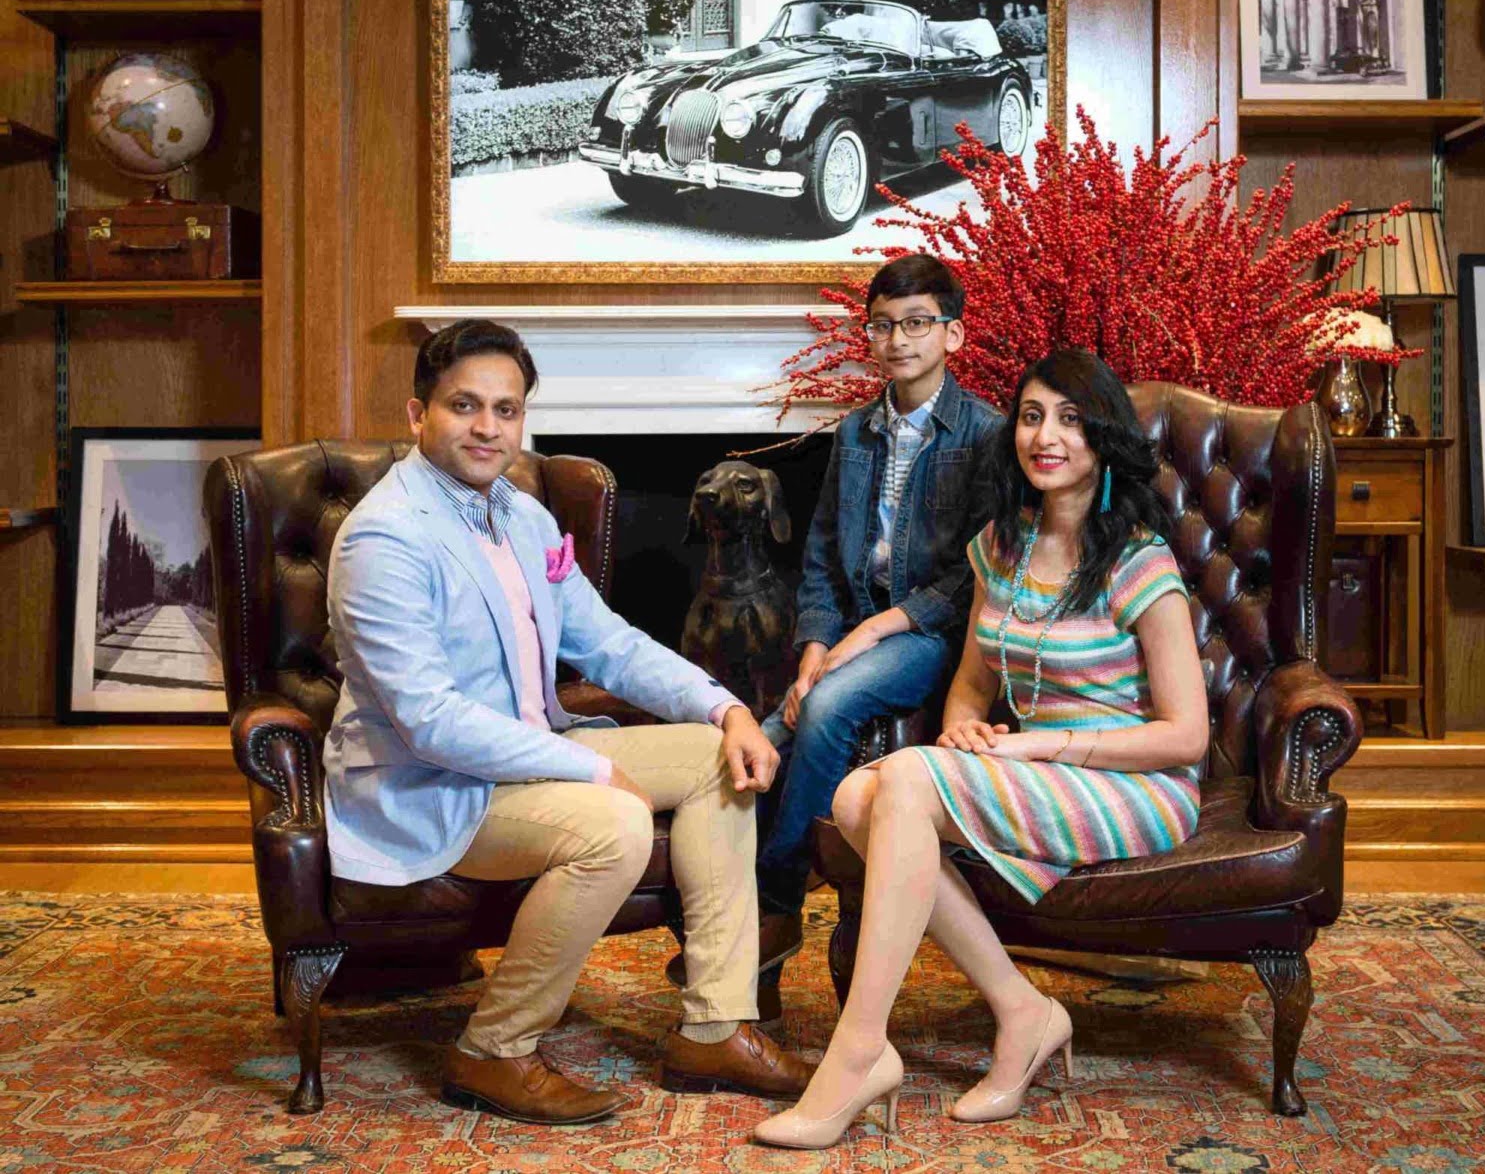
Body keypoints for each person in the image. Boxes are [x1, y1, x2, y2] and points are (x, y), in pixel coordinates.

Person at [323, 319, 811, 1126]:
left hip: (527, 755)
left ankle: (716, 1027)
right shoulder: (385, 536)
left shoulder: (522, 516)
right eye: (464, 405)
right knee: (613, 825)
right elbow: (428, 721)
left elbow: (608, 642)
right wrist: (590, 769)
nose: (488, 428)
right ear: (418, 414)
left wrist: (726, 708)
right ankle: (495, 1047)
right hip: (430, 782)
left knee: (713, 754)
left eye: (507, 409)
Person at [754, 347, 1209, 1148]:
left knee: (897, 784)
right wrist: (964, 725)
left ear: (1102, 437)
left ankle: (859, 1049)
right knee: (856, 798)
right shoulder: (1002, 545)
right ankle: (1022, 1009)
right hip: (1030, 764)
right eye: (1031, 417)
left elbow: (1187, 735)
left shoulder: (1139, 561)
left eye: (1069, 420)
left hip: (1137, 784)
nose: (1045, 436)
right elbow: (969, 684)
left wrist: (1045, 747)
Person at [675, 253, 1001, 997]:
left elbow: (974, 574)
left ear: (952, 335)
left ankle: (778, 902)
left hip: (931, 633)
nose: (898, 340)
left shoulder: (986, 433)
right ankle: (725, 915)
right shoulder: (855, 432)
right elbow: (821, 553)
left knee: (825, 705)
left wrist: (869, 636)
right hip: (853, 625)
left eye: (917, 324)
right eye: (883, 326)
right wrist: (815, 647)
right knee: (763, 734)